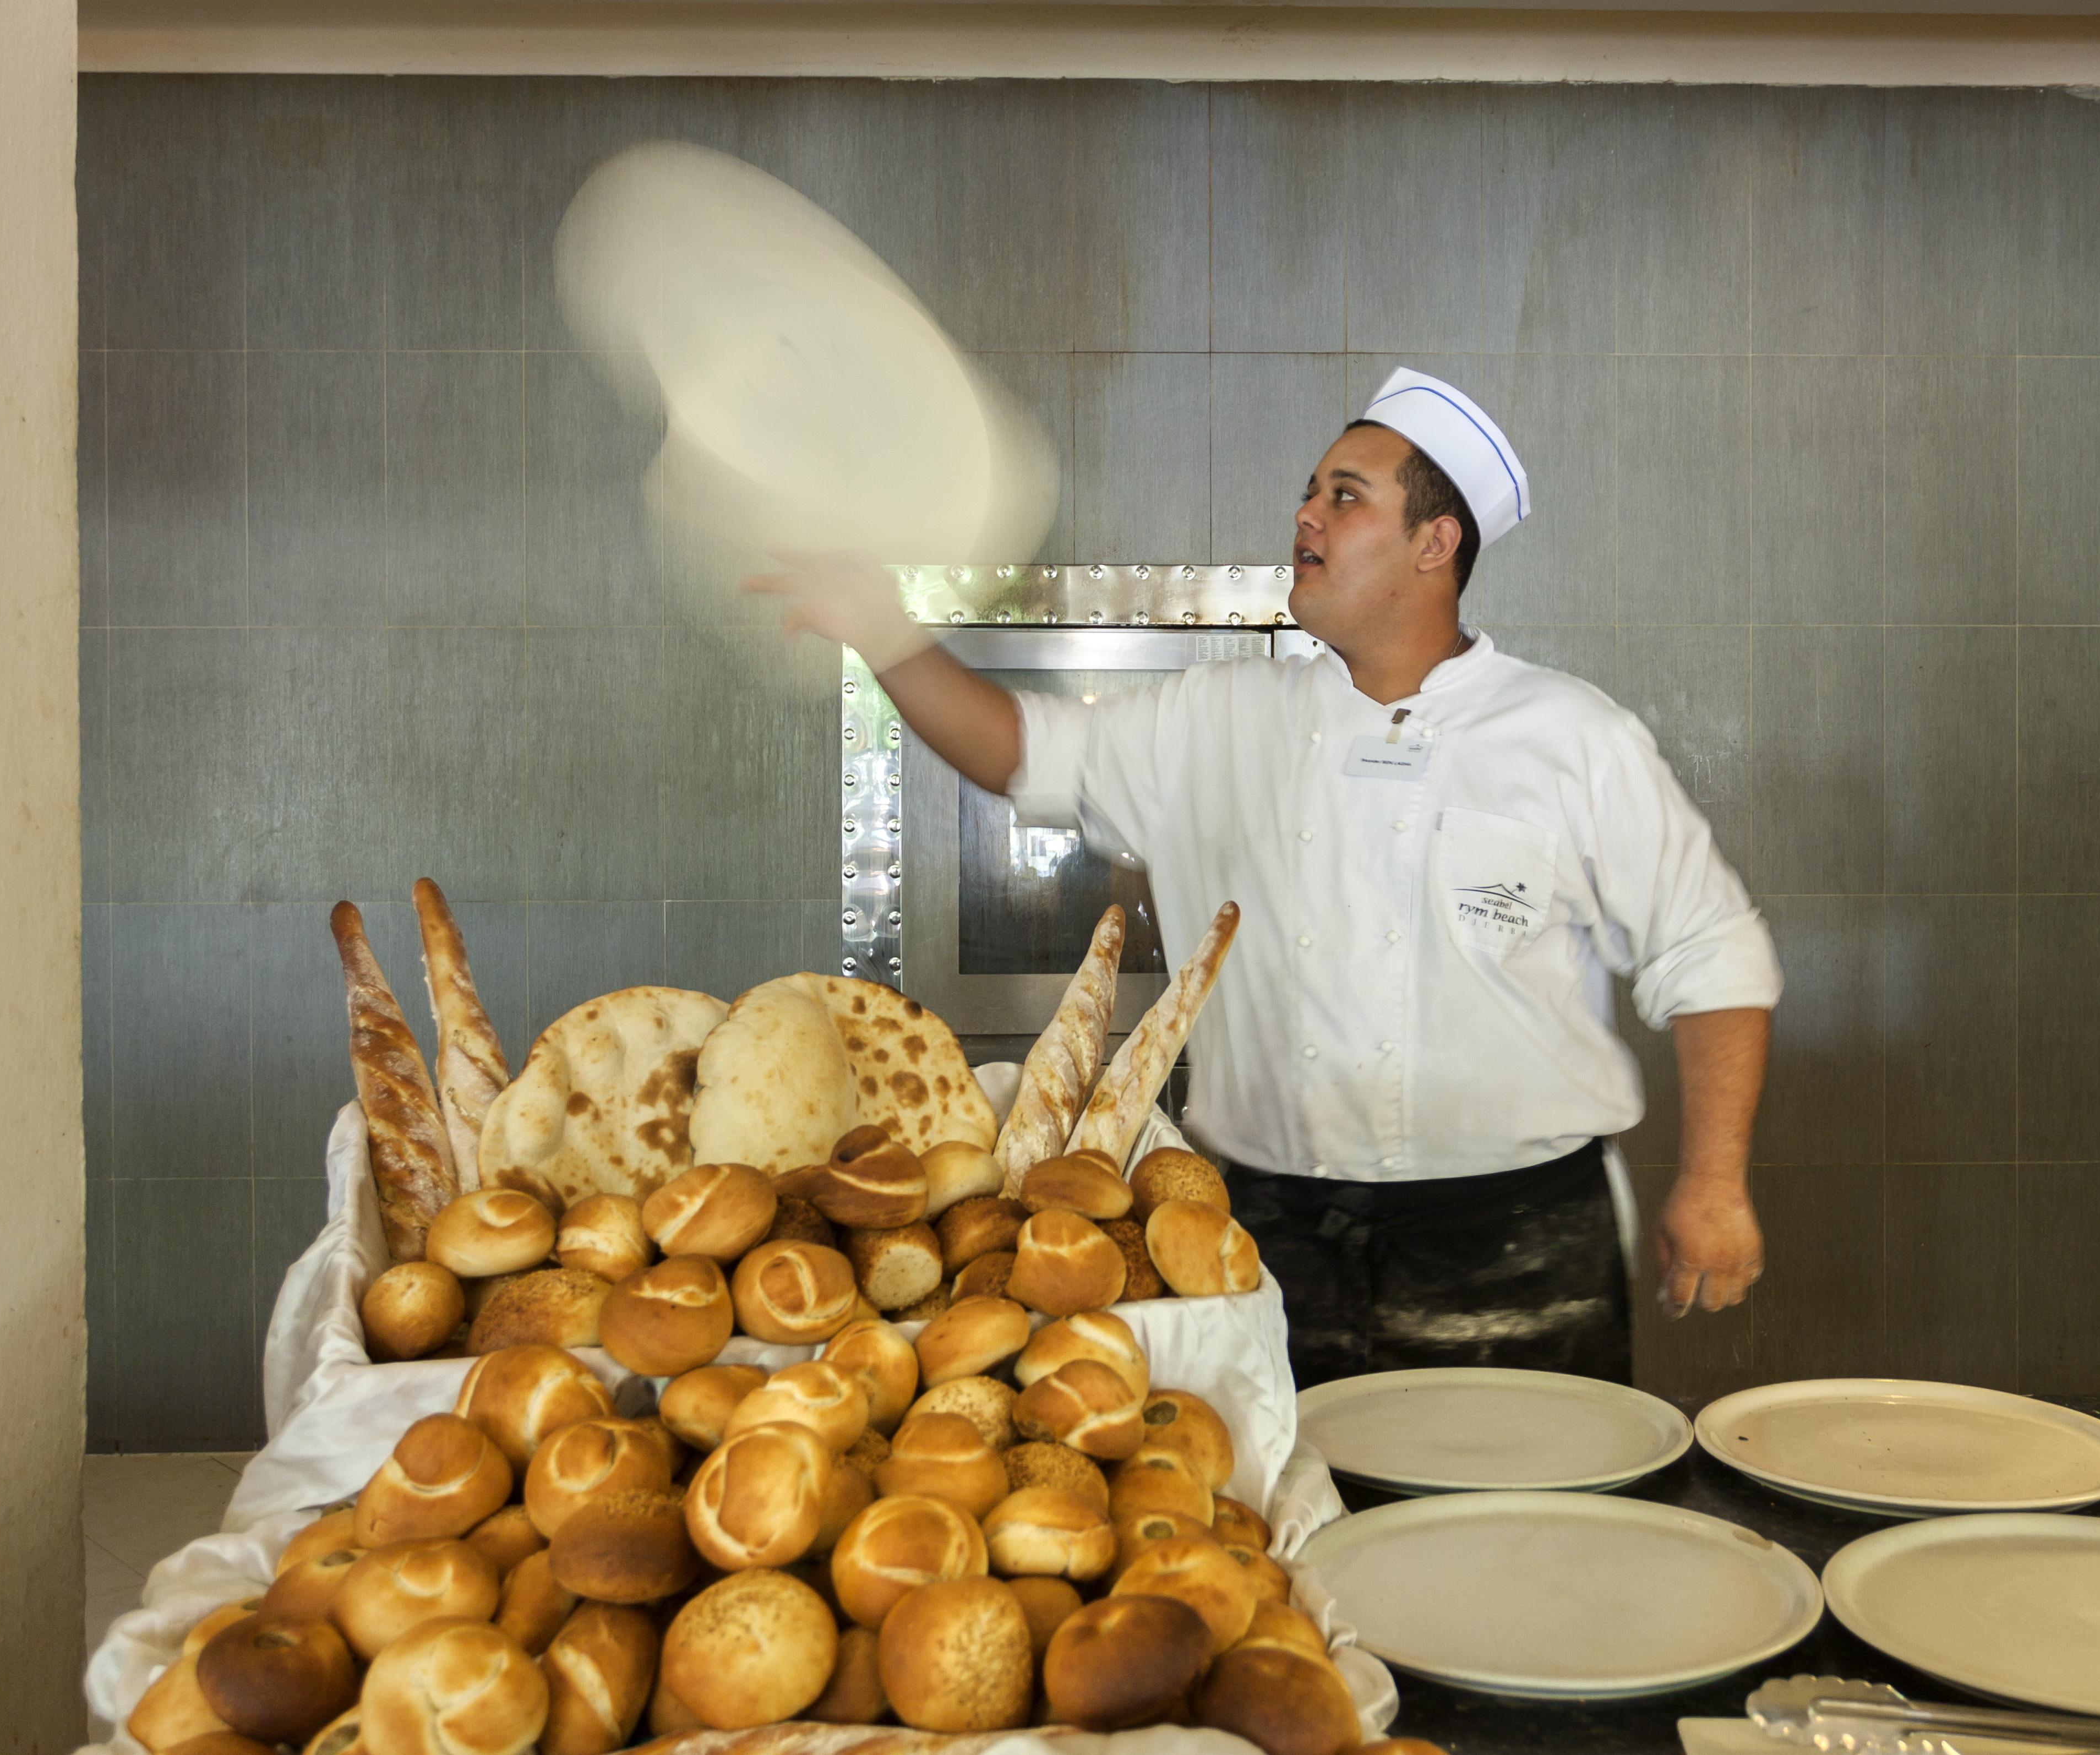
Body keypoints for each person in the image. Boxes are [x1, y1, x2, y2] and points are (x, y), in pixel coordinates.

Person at [752, 368, 1780, 1387]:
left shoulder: (1571, 737)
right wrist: (882, 630)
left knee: (1527, 1535)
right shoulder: (1218, 718)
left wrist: (1716, 1181)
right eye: (1310, 489)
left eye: (1346, 494)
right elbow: (1022, 747)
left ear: (1435, 543)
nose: (1305, 514)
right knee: (1283, 1531)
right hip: (1258, 1229)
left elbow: (1711, 950)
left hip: (1516, 1235)